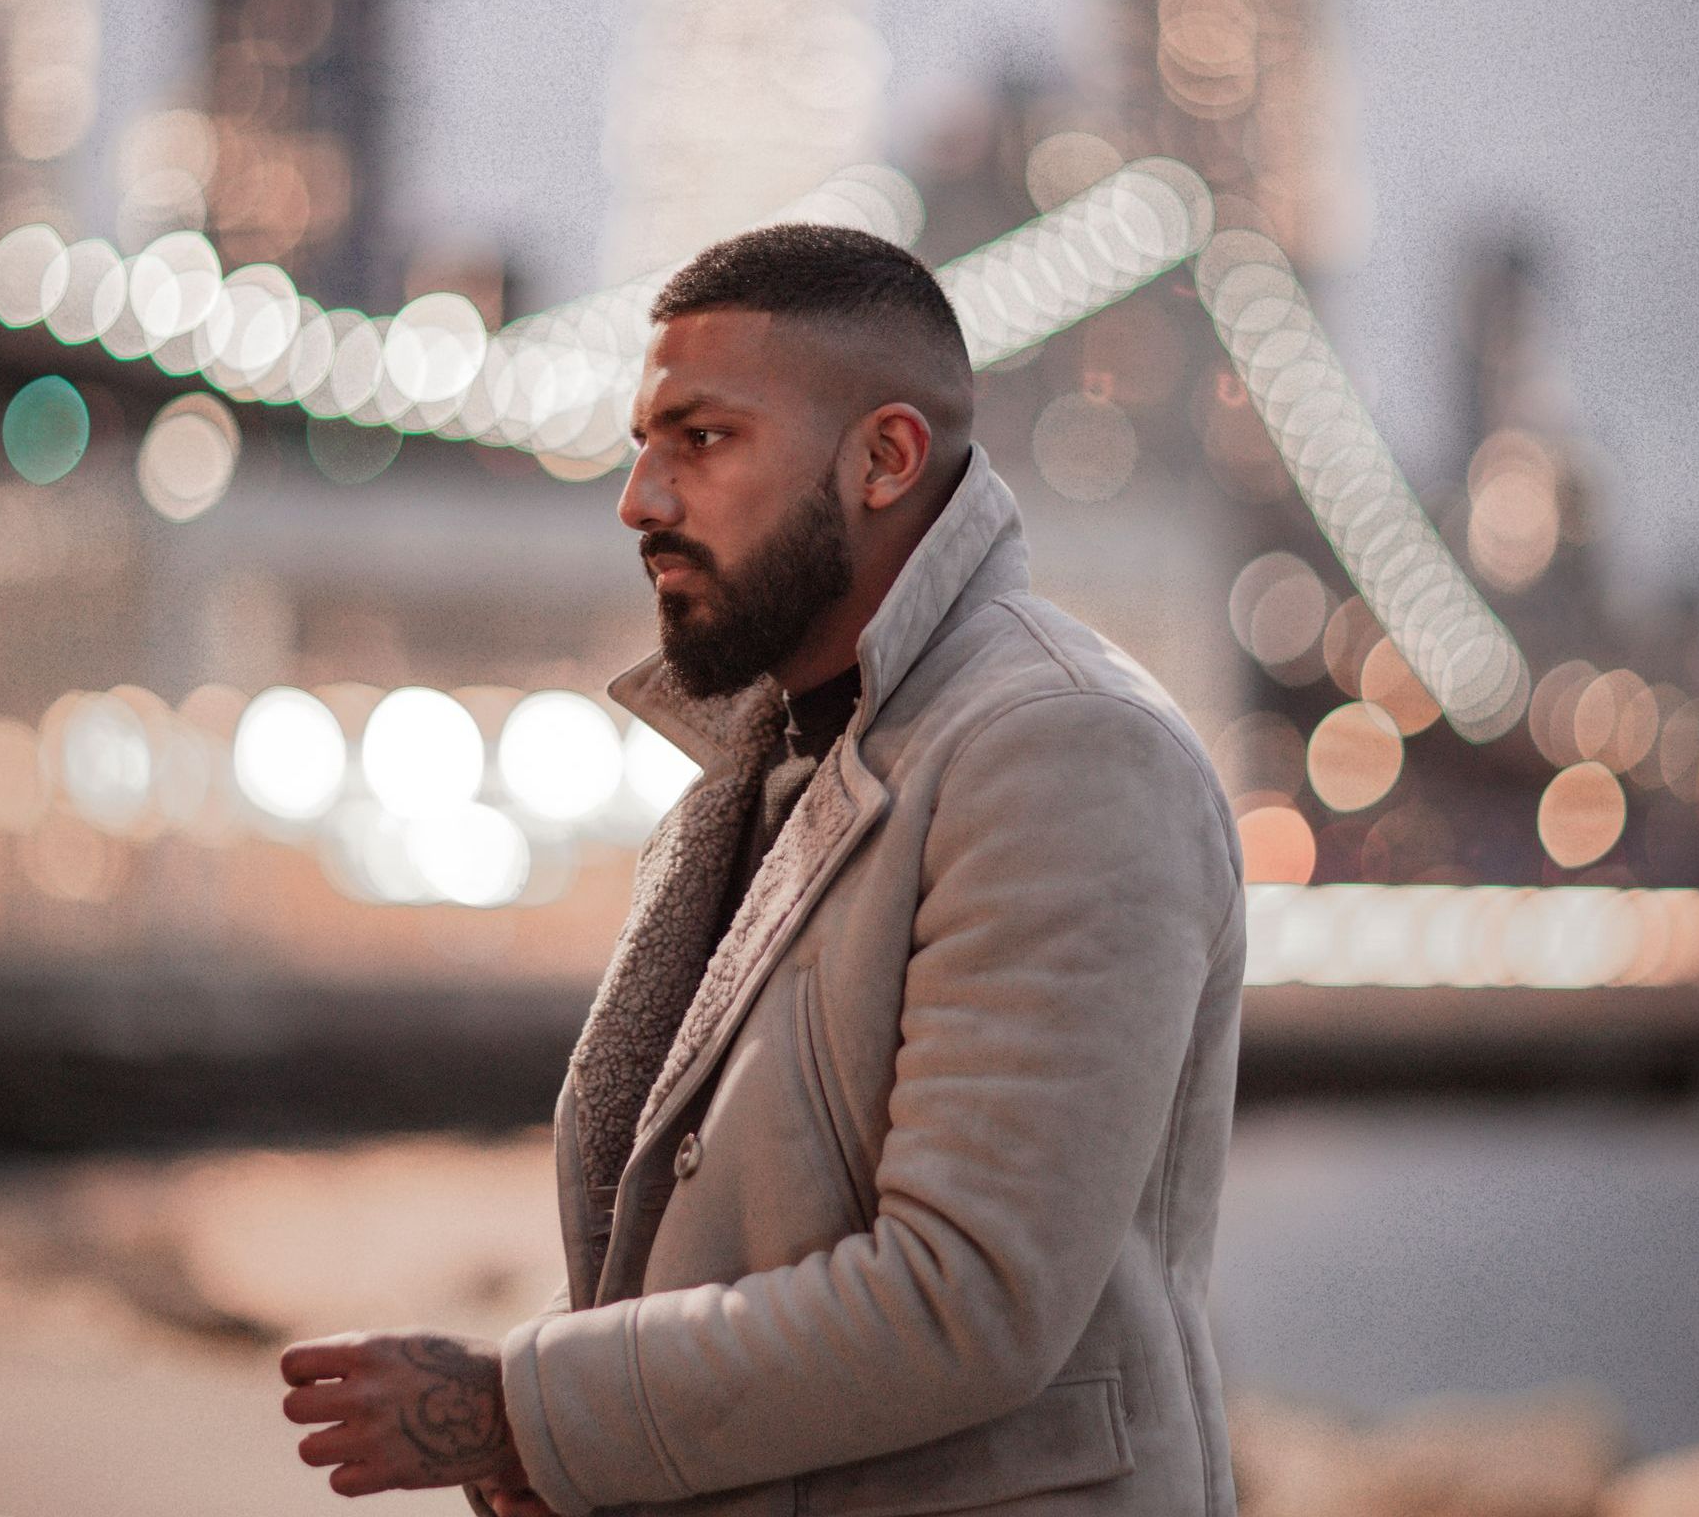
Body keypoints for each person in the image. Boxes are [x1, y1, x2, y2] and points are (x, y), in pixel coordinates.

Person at [280, 223, 1245, 1516]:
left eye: (704, 437)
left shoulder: (1059, 750)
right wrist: (579, 1458)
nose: (641, 498)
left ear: (885, 458)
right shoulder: (762, 769)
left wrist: (527, 1412)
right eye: (642, 442)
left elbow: (972, 1299)